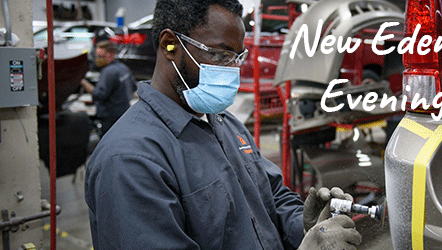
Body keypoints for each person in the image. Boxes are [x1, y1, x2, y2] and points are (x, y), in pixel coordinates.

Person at [84, 0, 362, 249]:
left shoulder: (225, 125)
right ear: (170, 45)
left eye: (237, 57)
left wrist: (304, 224)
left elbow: (271, 197)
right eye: (219, 55)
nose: (232, 71)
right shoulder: (130, 161)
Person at [80, 40, 137, 136]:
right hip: (124, 113)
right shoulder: (123, 68)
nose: (98, 59)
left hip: (110, 117)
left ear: (111, 55)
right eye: (97, 56)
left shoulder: (108, 72)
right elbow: (134, 87)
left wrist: (82, 81)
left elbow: (99, 95)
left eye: (101, 57)